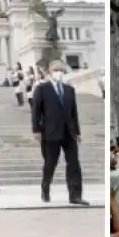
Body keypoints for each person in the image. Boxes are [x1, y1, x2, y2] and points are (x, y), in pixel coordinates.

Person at [32, 59, 88, 205]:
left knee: (74, 163)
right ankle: (45, 188)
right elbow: (36, 111)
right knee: (50, 163)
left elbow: (73, 112)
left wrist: (77, 132)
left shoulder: (69, 90)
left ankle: (75, 195)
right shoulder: (42, 89)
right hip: (50, 132)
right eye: (56, 70)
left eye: (62, 70)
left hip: (69, 132)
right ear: (50, 72)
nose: (59, 73)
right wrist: (36, 129)